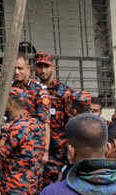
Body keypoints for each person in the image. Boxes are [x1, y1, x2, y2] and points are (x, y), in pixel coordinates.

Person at [34, 52, 74, 186]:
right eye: (40, 66)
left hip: (59, 148)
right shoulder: (33, 90)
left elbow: (72, 121)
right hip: (37, 145)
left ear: (53, 68)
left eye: (46, 66)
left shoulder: (64, 91)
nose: (43, 70)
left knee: (57, 184)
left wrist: (71, 145)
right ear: (34, 67)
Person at [10, 51, 54, 130]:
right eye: (13, 68)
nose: (16, 72)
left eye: (20, 68)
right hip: (11, 136)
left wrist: (45, 142)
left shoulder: (38, 90)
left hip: (31, 138)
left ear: (28, 68)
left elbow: (44, 123)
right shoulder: (9, 88)